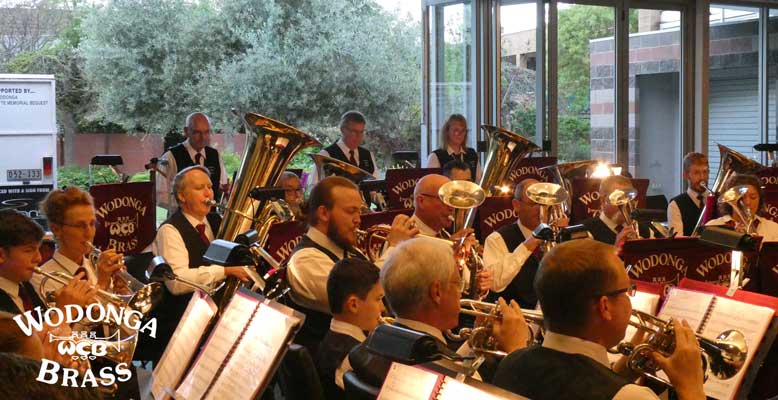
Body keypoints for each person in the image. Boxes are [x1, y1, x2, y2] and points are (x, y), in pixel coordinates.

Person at [493, 239, 706, 400]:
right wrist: (691, 387)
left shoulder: (510, 362)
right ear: (605, 306)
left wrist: (619, 374)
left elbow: (570, 380)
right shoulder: (632, 397)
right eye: (627, 290)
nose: (630, 298)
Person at [349, 237, 528, 387]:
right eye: (457, 284)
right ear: (436, 292)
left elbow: (444, 357)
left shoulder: (369, 346)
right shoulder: (449, 377)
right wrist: (516, 352)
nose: (460, 293)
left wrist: (474, 345)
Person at [286, 176, 415, 349]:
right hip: (338, 365)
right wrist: (393, 248)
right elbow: (361, 296)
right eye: (350, 211)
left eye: (359, 211)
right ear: (323, 213)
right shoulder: (305, 261)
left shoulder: (348, 250)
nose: (358, 219)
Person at [150, 166, 250, 361]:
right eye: (199, 188)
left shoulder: (216, 221)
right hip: (181, 327)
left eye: (210, 187)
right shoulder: (170, 230)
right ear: (181, 196)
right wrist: (225, 271)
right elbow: (177, 282)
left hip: (213, 321)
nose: (208, 193)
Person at [482, 178, 567, 309]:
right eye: (534, 204)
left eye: (545, 204)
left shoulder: (559, 236)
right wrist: (528, 244)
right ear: (516, 205)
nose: (541, 210)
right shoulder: (497, 239)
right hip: (517, 318)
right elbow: (495, 284)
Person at [0, 209, 95, 316]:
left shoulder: (24, 286)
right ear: (1, 255)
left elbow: (43, 326)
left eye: (38, 249)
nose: (38, 258)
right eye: (28, 250)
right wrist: (64, 312)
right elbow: (28, 333)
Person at [410, 174, 492, 295]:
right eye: (444, 199)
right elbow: (416, 290)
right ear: (421, 201)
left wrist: (477, 284)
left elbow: (463, 289)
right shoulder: (404, 236)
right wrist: (447, 253)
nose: (452, 207)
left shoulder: (444, 234)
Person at [34, 187, 125, 296]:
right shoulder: (42, 279)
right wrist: (101, 285)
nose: (89, 233)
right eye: (80, 226)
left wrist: (122, 295)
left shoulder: (96, 268)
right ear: (56, 229)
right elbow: (81, 313)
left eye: (92, 224)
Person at [315, 259, 385, 399]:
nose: (383, 308)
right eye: (378, 299)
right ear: (353, 305)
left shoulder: (333, 340)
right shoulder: (351, 360)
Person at [157, 112, 230, 212]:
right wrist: (189, 206)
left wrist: (224, 192)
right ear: (186, 131)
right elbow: (160, 195)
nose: (203, 137)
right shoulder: (171, 157)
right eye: (197, 132)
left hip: (210, 222)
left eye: (206, 132)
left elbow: (221, 189)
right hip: (181, 223)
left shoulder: (215, 155)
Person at [581, 175, 650, 247]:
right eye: (618, 198)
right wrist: (616, 248)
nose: (626, 203)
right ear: (603, 200)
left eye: (629, 198)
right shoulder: (585, 231)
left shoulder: (644, 229)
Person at [311, 111, 379, 184]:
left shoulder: (368, 155)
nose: (359, 136)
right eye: (354, 131)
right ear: (342, 130)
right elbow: (315, 188)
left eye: (361, 132)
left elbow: (375, 185)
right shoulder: (325, 155)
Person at [706, 174, 778, 241]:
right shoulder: (712, 227)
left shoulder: (773, 229)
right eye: (742, 197)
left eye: (753, 197)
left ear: (760, 199)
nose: (748, 202)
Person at [426, 114, 483, 182]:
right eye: (456, 130)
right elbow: (431, 184)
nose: (460, 134)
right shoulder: (435, 156)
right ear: (447, 132)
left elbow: (479, 181)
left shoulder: (472, 154)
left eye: (463, 130)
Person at [668, 153, 709, 236]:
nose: (702, 178)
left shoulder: (718, 200)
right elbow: (678, 241)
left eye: (705, 172)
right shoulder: (675, 205)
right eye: (696, 173)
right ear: (686, 175)